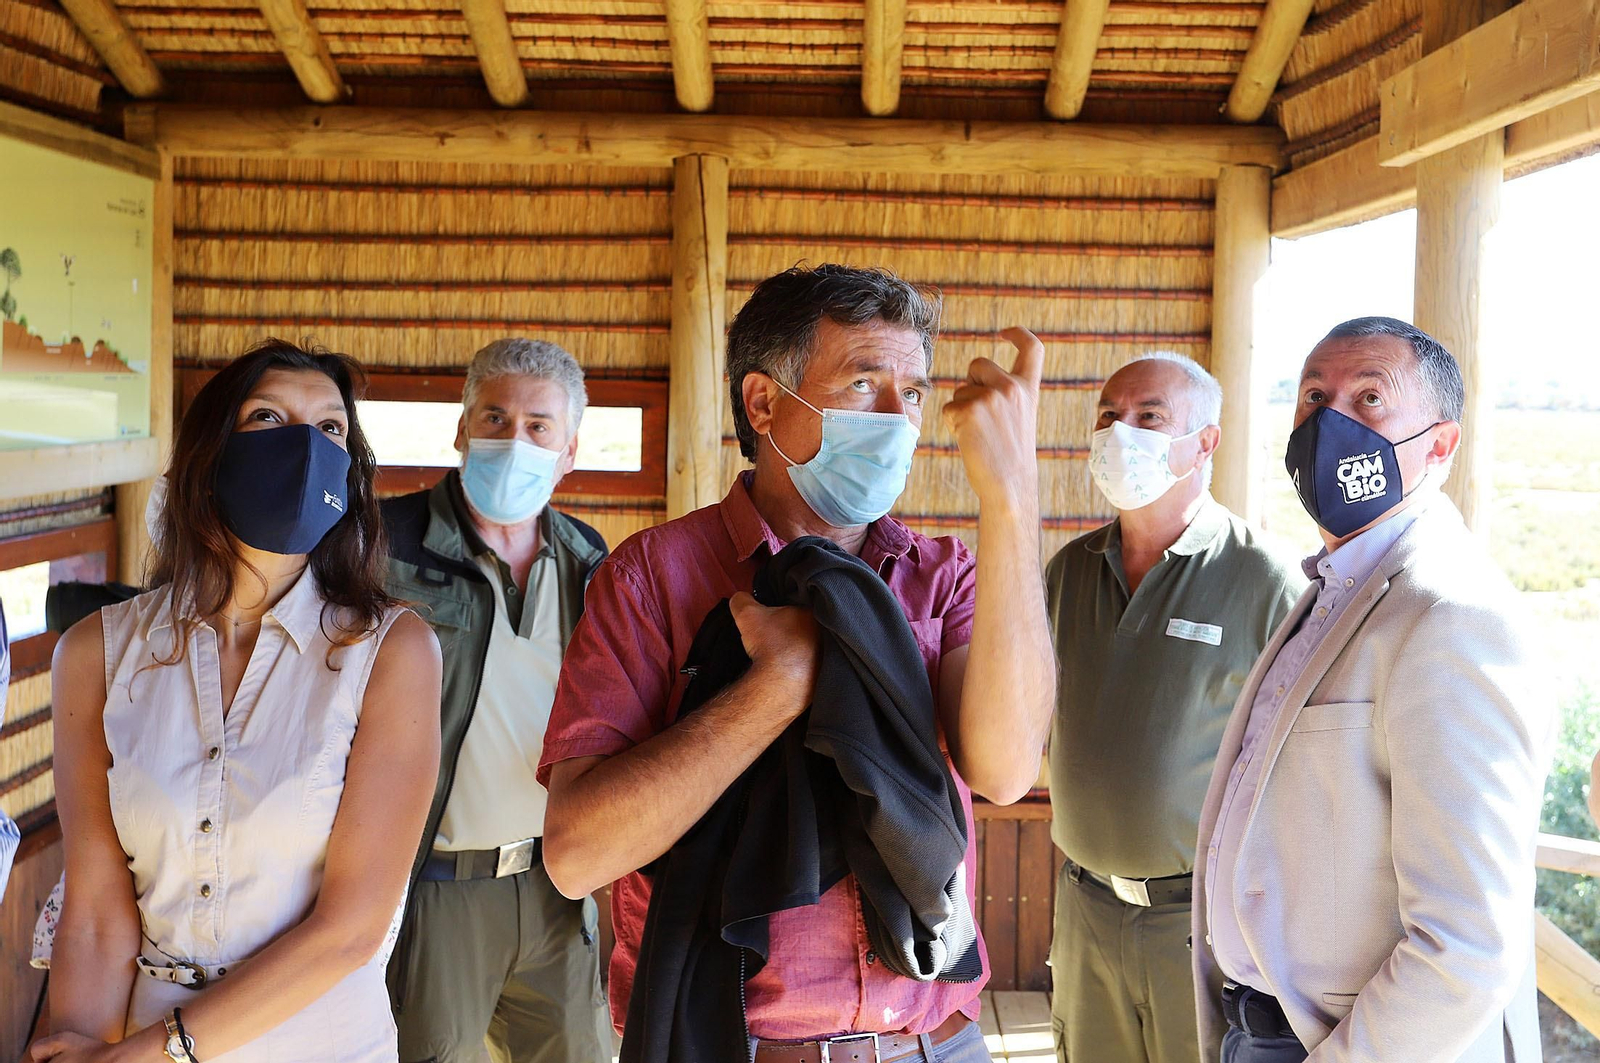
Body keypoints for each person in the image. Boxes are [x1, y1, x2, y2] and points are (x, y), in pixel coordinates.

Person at [538, 263, 1056, 1062]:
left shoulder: (941, 574)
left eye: (912, 392)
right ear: (764, 402)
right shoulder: (654, 578)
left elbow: (1006, 766)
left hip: (936, 1044)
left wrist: (1013, 500)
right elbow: (577, 855)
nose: (897, 417)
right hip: (728, 1045)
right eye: (863, 384)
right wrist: (775, 689)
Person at [29, 339, 442, 1063]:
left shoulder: (392, 653)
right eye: (269, 417)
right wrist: (81, 1046)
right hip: (139, 1033)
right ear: (210, 453)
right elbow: (96, 906)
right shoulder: (96, 653)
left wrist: (150, 1055)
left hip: (320, 1039)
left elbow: (351, 926)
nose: (306, 446)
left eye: (331, 429)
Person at [1192, 317, 1555, 1063]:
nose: (1331, 422)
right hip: (1262, 1029)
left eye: (1369, 398)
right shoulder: (1333, 587)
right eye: (1314, 396)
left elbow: (1468, 943)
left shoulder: (1452, 615)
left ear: (1441, 445)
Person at [1045, 353, 1303, 1063]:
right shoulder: (1067, 570)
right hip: (1084, 904)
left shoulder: (1265, 577)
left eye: (1149, 417)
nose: (1120, 432)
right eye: (1108, 416)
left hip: (1203, 923)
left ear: (1206, 441)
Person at [382, 339, 612, 1063]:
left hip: (559, 885)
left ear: (568, 449)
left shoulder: (587, 558)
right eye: (495, 417)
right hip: (436, 888)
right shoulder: (387, 544)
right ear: (462, 428)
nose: (515, 439)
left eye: (539, 425)